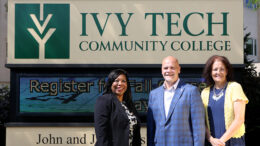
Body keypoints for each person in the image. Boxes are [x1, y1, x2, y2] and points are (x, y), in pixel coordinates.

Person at [147, 56, 205, 146]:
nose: (168, 71)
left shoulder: (191, 91)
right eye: (165, 68)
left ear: (179, 69)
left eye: (172, 68)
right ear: (162, 70)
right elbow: (151, 128)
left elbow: (198, 128)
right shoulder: (153, 94)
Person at [201, 55, 249, 146]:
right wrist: (210, 139)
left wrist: (221, 141)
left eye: (222, 69)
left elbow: (239, 119)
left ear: (227, 71)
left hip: (233, 141)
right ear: (210, 72)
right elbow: (201, 120)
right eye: (215, 69)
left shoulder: (235, 87)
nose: (218, 72)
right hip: (211, 142)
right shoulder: (205, 92)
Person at [94, 69, 141, 146]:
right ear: (110, 83)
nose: (120, 84)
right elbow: (101, 134)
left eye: (123, 81)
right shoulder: (104, 100)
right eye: (116, 80)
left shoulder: (129, 104)